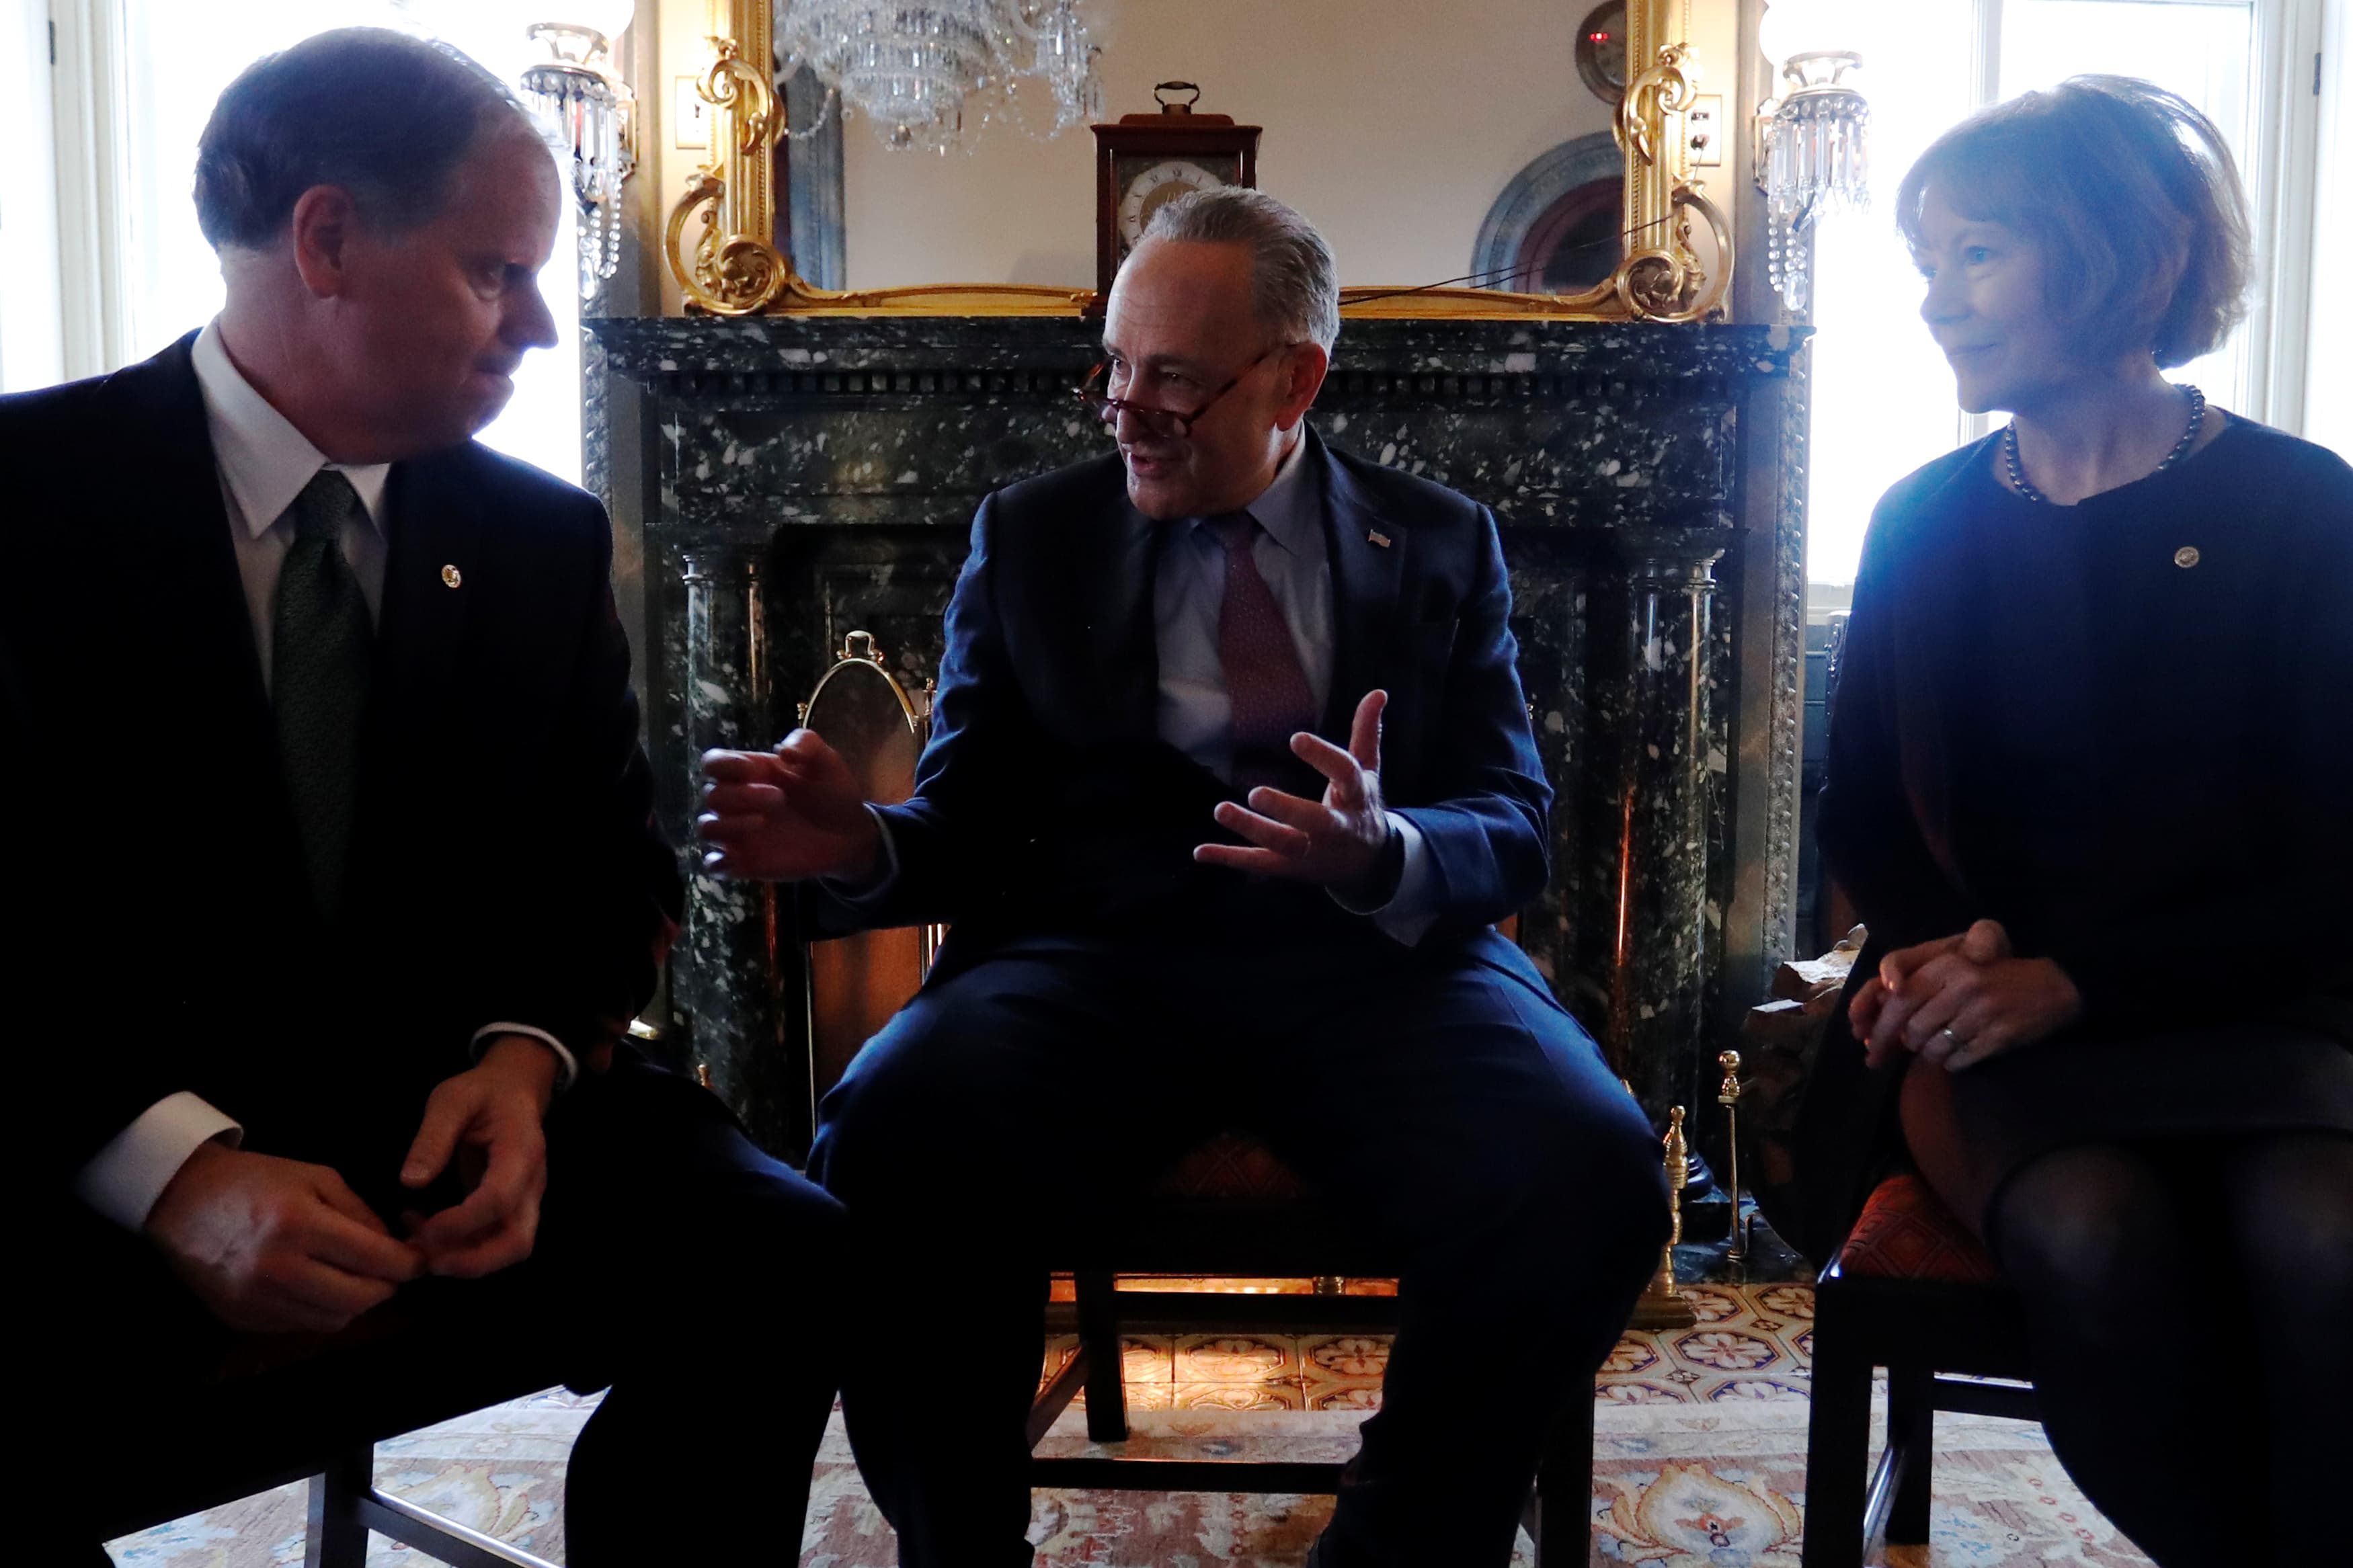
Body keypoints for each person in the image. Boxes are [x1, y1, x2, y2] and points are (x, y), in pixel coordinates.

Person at [697, 186, 1669, 1568]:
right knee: (889, 1141)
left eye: (1171, 379)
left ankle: (1395, 1552)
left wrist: (1385, 850)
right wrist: (861, 845)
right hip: (1091, 964)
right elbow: (967, 823)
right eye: (1112, 367)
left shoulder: (1440, 539)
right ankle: (961, 1554)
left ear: (1294, 380)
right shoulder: (1032, 536)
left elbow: (1510, 819)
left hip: (1375, 972)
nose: (1124, 410)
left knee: (1592, 1170)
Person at [1, 29, 842, 1564]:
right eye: (495, 272)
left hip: (442, 1115)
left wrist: (527, 1061)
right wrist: (169, 1173)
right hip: (87, 1139)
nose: (541, 323)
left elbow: (610, 868)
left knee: (780, 1254)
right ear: (325, 239)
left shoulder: (539, 539)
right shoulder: (22, 500)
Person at [1804, 76, 2353, 1567]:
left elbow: (2334, 864)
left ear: (2124, 256)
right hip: (1992, 1043)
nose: (1936, 299)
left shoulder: (2305, 509)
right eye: (1927, 260)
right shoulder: (1921, 519)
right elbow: (1863, 806)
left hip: (2252, 1014)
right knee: (2091, 1236)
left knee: (2327, 1238)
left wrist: (2082, 982)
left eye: (1977, 253)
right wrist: (1941, 959)